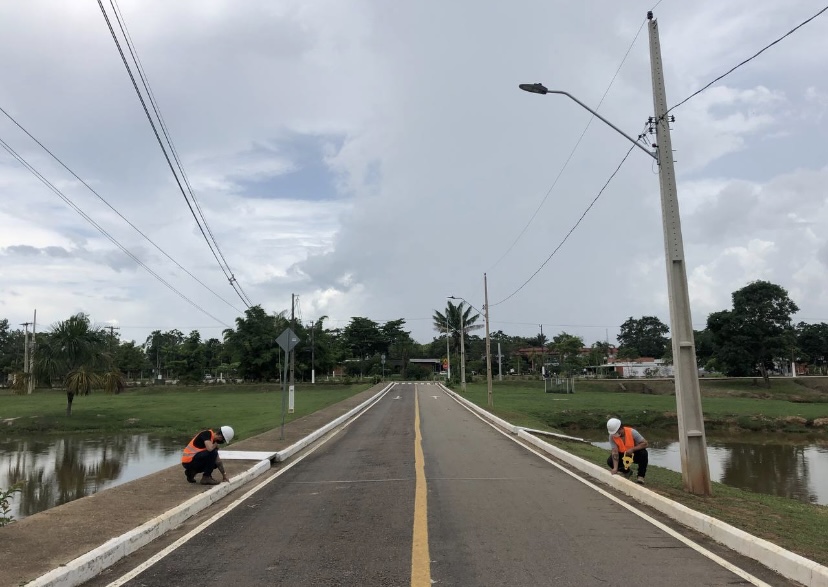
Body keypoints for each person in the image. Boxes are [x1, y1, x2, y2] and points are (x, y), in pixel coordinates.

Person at [606, 417, 648, 484]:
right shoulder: (612, 436)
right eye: (613, 433)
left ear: (621, 428)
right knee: (610, 461)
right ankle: (627, 472)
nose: (614, 434)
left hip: (634, 454)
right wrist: (615, 468)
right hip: (622, 455)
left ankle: (640, 476)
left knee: (644, 453)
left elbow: (645, 443)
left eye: (616, 432)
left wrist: (633, 449)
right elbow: (615, 452)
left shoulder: (632, 432)